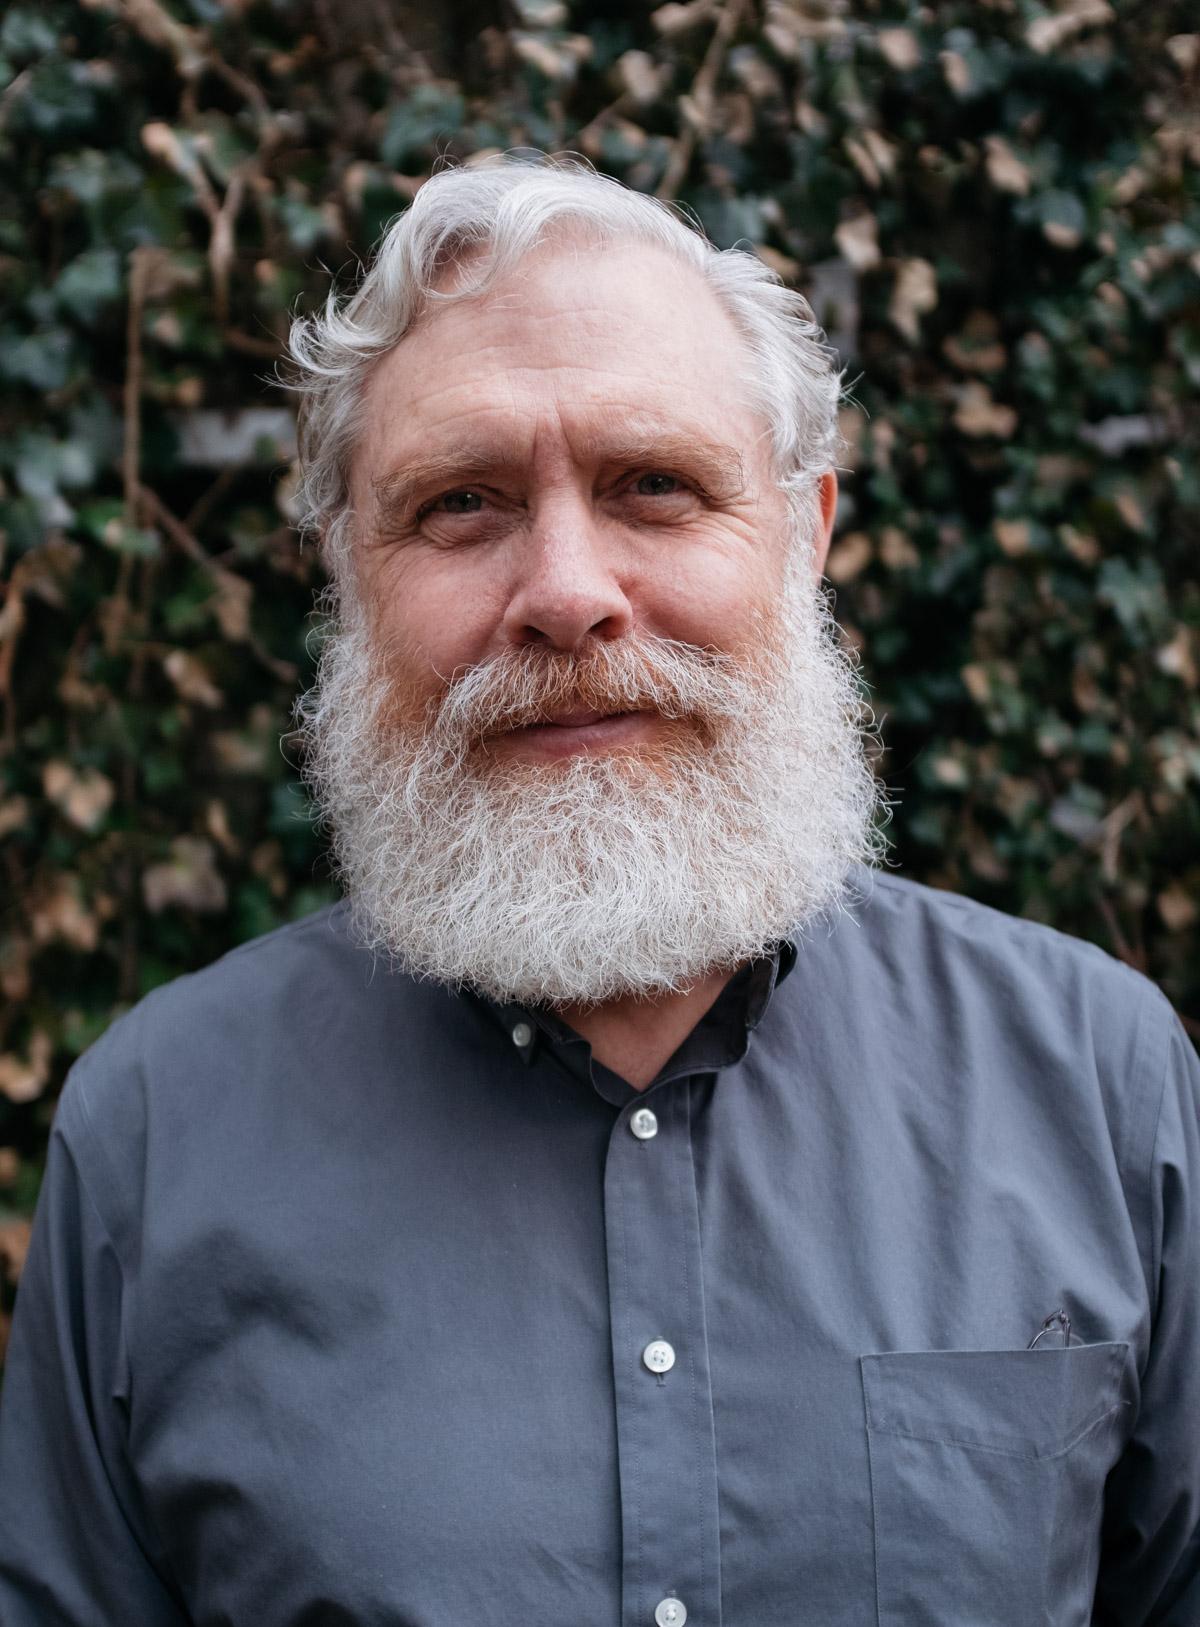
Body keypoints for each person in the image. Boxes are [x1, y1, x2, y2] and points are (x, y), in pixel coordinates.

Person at [0, 155, 1196, 1627]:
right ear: (347, 574)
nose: (568, 591)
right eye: (460, 505)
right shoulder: (154, 1137)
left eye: (654, 486)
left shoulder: (1103, 1083)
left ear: (809, 532)